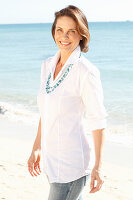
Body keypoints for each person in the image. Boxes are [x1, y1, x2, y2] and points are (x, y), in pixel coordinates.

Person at [27, 5, 108, 200]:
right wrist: (36, 147)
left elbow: (98, 121)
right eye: (60, 30)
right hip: (50, 162)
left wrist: (98, 167)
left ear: (81, 34)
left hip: (72, 166)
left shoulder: (86, 72)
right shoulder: (47, 65)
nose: (64, 36)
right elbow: (45, 111)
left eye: (71, 31)